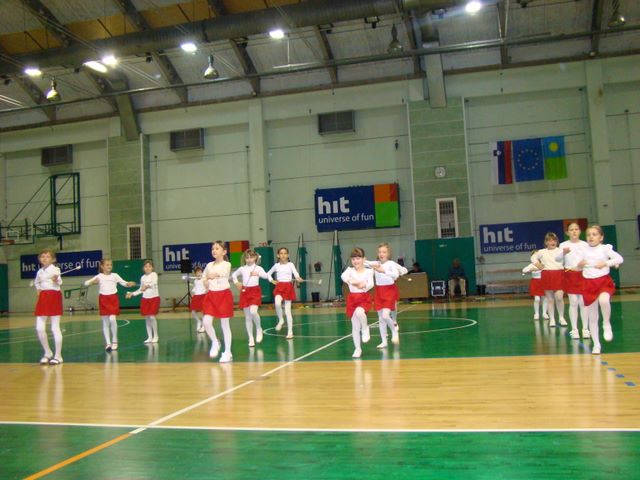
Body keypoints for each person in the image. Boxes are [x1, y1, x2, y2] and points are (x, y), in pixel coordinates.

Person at [576, 225, 623, 355]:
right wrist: (579, 265)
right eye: (588, 235)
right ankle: (596, 344)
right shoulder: (583, 249)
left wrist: (606, 263)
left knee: (604, 300)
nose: (591, 237)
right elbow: (577, 266)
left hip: (603, 281)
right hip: (588, 284)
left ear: (601, 237)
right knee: (592, 317)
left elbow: (619, 259)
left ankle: (606, 323)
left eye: (594, 234)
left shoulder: (605, 248)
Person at [84, 259, 135, 352]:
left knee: (112, 319)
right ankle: (108, 343)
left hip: (113, 299)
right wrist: (92, 282)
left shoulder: (115, 275)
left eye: (110, 265)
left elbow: (124, 283)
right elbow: (86, 283)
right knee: (105, 322)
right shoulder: (99, 276)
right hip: (103, 299)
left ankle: (115, 340)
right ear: (102, 266)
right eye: (107, 265)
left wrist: (129, 284)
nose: (109, 266)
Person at [367, 242, 406, 348]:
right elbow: (366, 263)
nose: (381, 254)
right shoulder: (376, 263)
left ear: (388, 253)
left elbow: (396, 275)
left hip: (389, 290)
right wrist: (362, 260)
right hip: (379, 291)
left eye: (384, 252)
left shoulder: (391, 264)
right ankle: (384, 341)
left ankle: (394, 330)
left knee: (385, 315)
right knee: (381, 318)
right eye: (379, 252)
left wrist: (383, 271)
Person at [202, 240, 235, 363]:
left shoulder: (227, 264)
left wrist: (211, 275)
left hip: (224, 296)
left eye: (217, 248)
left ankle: (228, 352)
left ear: (224, 252)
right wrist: (206, 281)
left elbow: (221, 273)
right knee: (206, 322)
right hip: (211, 296)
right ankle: (215, 342)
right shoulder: (209, 265)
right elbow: (205, 280)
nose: (214, 250)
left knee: (225, 325)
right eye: (213, 249)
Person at [558, 222, 590, 339]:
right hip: (570, 275)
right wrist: (563, 253)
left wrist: (583, 264)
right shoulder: (563, 245)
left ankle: (585, 329)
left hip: (583, 274)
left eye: (576, 229)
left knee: (583, 302)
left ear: (580, 231)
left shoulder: (585, 244)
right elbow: (557, 259)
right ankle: (574, 329)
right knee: (573, 302)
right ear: (567, 232)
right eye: (571, 230)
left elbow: (590, 259)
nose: (574, 231)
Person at [232, 249, 269, 347]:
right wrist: (236, 283)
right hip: (245, 292)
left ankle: (259, 328)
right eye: (247, 258)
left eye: (251, 257)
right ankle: (251, 338)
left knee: (253, 312)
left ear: (255, 258)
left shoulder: (258, 268)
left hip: (255, 292)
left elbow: (266, 276)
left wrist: (257, 274)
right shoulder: (242, 268)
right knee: (248, 317)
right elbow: (233, 275)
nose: (249, 259)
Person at [341, 247, 374, 358]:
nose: (356, 261)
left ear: (363, 259)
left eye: (358, 258)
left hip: (363, 298)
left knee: (360, 312)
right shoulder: (349, 271)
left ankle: (365, 328)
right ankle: (357, 349)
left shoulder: (369, 271)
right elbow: (343, 276)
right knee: (355, 326)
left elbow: (371, 284)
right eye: (353, 259)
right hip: (352, 299)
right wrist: (351, 280)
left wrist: (363, 285)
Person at [33, 248, 64, 365]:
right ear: (39, 259)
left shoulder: (55, 269)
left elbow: (59, 282)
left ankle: (58, 356)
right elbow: (37, 282)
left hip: (54, 297)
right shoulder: (39, 272)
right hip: (43, 298)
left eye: (47, 256)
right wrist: (38, 289)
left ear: (53, 259)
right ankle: (47, 352)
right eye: (42, 256)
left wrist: (56, 279)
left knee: (55, 328)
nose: (44, 258)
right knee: (39, 328)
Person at [267, 247, 303, 340]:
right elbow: (268, 274)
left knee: (287, 311)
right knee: (277, 303)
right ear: (278, 255)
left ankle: (290, 332)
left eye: (285, 253)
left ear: (288, 255)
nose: (283, 255)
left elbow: (295, 273)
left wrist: (298, 278)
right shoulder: (276, 266)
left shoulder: (291, 264)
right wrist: (272, 280)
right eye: (281, 253)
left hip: (288, 287)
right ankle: (281, 320)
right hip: (279, 286)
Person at [531, 233, 566, 327]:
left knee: (559, 297)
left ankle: (561, 317)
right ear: (546, 242)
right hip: (547, 275)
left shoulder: (561, 250)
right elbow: (533, 257)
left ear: (557, 241)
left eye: (554, 240)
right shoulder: (542, 252)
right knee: (550, 299)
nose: (552, 242)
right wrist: (537, 264)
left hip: (559, 274)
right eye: (549, 240)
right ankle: (552, 319)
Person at [126, 259, 160, 344]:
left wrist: (147, 286)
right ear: (143, 268)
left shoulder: (154, 274)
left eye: (149, 266)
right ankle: (149, 337)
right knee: (147, 318)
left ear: (152, 268)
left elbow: (154, 283)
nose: (147, 268)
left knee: (152, 317)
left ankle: (156, 336)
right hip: (145, 299)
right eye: (146, 266)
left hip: (154, 298)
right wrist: (132, 294)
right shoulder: (142, 277)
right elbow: (141, 289)